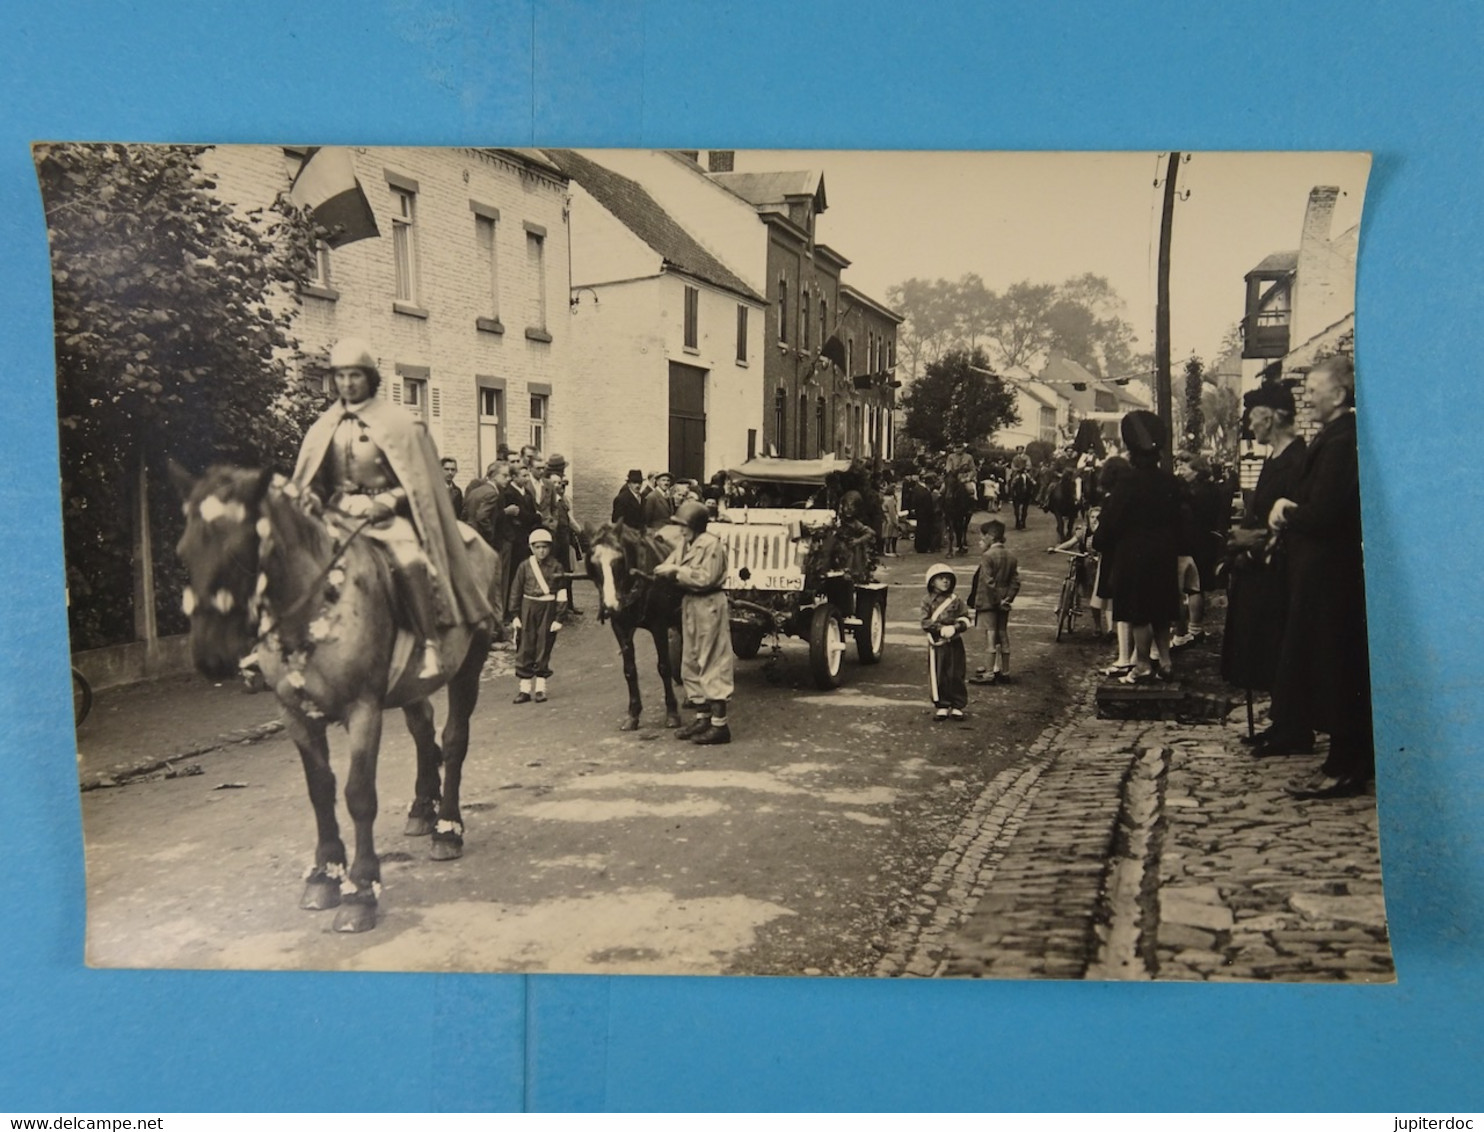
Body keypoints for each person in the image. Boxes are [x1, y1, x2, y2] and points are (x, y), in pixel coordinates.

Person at [290, 337, 490, 680]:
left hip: (385, 516)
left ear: (369, 378)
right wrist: (309, 497)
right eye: (341, 376)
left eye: (355, 375)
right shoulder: (324, 426)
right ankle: (285, 647)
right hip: (336, 515)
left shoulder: (399, 423)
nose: (347, 384)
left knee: (409, 561)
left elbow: (419, 481)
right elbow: (316, 479)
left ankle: (428, 643)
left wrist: (388, 500)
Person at [1268, 355, 1374, 799]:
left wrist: (1287, 509)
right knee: (1334, 667)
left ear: (1340, 394)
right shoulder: (1336, 436)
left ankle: (1343, 767)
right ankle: (1348, 761)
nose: (1306, 396)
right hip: (1324, 574)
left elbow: (1327, 512)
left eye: (1313, 388)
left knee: (1335, 669)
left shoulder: (1341, 440)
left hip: (1330, 577)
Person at [1222, 384, 1311, 755]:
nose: (1248, 424)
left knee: (1282, 645)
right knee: (1268, 646)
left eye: (1252, 416)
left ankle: (1296, 730)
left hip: (1284, 568)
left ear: (1271, 416)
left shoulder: (1298, 459)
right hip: (1264, 567)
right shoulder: (1275, 456)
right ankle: (1282, 723)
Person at [1093, 410, 1183, 685]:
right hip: (1164, 552)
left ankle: (1143, 664)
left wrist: (1100, 540)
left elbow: (1113, 520)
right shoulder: (1170, 481)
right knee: (1161, 610)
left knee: (1139, 612)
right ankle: (1166, 662)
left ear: (1131, 449)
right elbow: (1180, 517)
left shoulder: (1127, 482)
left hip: (1134, 554)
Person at [654, 500, 735, 745]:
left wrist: (675, 572)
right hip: (690, 603)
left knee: (712, 659)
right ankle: (703, 717)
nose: (680, 530)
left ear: (696, 525)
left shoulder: (710, 545)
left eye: (684, 525)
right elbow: (669, 562)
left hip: (708, 602)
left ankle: (720, 726)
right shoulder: (687, 544)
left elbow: (705, 578)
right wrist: (668, 568)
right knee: (690, 659)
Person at [509, 528, 570, 704]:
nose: (541, 550)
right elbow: (516, 590)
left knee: (544, 645)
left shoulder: (556, 566)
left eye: (545, 547)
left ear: (550, 548)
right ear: (531, 548)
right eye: (537, 547)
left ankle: (540, 689)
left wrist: (559, 617)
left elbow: (562, 592)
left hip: (548, 608)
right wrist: (514, 614)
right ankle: (525, 689)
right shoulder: (524, 566)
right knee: (526, 646)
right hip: (528, 606)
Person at [969, 519, 1020, 684]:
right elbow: (1015, 581)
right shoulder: (1011, 556)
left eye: (983, 537)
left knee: (990, 636)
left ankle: (989, 673)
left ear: (990, 537)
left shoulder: (987, 556)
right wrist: (1008, 598)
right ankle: (1005, 671)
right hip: (1004, 601)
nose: (981, 541)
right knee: (1003, 634)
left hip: (989, 602)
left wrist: (997, 600)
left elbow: (988, 582)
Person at [921, 562, 973, 721]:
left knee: (956, 673)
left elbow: (966, 618)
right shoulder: (927, 601)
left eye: (948, 579)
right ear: (932, 582)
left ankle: (957, 705)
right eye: (941, 578)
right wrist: (939, 629)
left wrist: (956, 628)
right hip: (937, 644)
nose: (945, 581)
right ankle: (942, 705)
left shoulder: (956, 600)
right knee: (939, 673)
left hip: (955, 642)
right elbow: (925, 622)